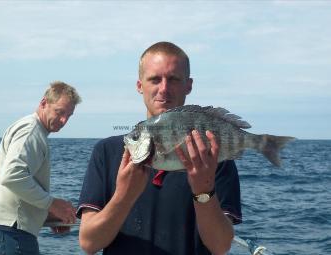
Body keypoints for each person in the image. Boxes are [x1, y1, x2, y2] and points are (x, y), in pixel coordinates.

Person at [77, 42, 242, 255]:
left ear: (188, 85)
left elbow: (220, 247)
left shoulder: (212, 156)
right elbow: (89, 243)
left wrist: (204, 191)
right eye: (155, 79)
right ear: (139, 85)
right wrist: (124, 196)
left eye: (173, 79)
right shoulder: (106, 152)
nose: (164, 88)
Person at [0, 81, 82, 254]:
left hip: (6, 231)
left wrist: (45, 217)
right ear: (43, 103)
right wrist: (52, 205)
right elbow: (12, 176)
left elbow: (15, 189)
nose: (63, 120)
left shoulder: (31, 130)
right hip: (11, 235)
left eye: (68, 116)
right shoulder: (32, 132)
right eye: (59, 112)